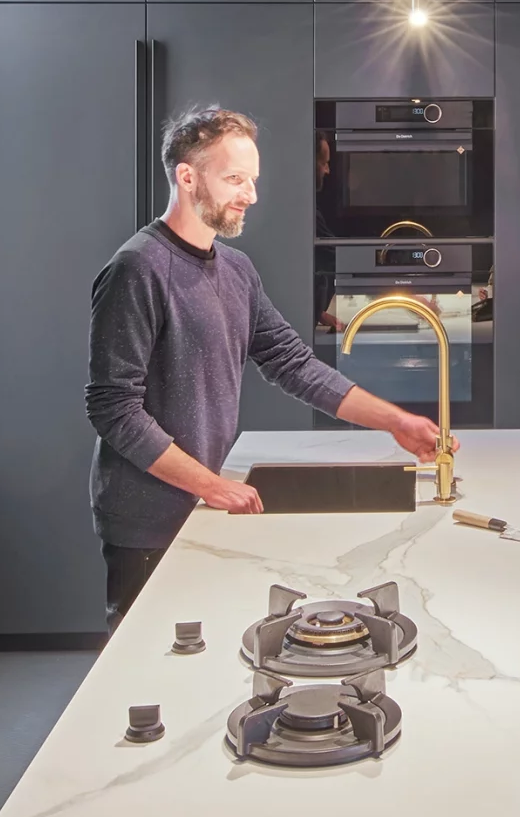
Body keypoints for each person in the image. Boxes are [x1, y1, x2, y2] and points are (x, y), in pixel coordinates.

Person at [86, 103, 443, 622]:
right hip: (148, 521)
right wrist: (211, 484)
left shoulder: (235, 269)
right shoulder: (137, 268)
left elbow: (291, 362)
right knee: (152, 675)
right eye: (234, 178)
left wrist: (397, 422)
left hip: (203, 505)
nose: (249, 195)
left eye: (251, 179)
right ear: (187, 177)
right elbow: (113, 408)